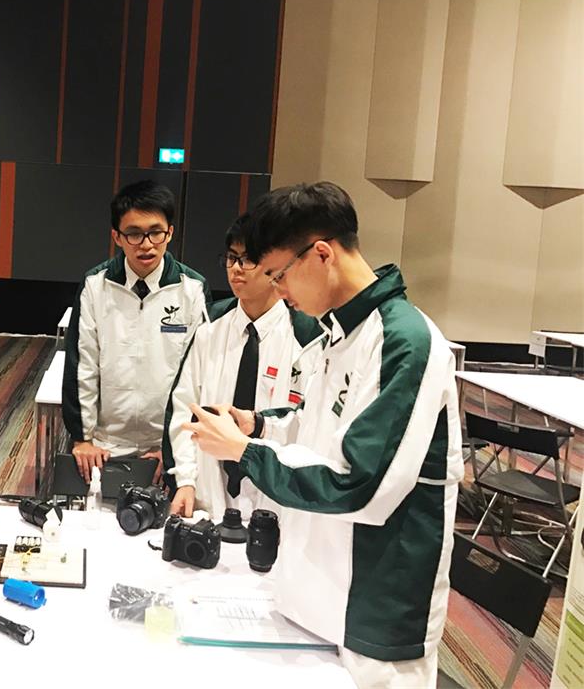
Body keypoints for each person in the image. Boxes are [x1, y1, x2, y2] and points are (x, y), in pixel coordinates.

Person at [184, 182, 462, 689]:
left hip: (374, 612)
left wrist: (245, 452)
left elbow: (360, 485)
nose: (278, 290)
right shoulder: (341, 332)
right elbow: (318, 426)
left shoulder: (404, 342)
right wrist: (258, 423)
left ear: (321, 255)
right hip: (317, 589)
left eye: (279, 274)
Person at [162, 212, 322, 520]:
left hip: (278, 503)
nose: (236, 268)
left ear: (276, 266)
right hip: (209, 494)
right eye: (231, 258)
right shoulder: (210, 328)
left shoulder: (307, 337)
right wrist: (185, 480)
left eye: (248, 259)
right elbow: (184, 410)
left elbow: (308, 425)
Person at [62, 180, 211, 483]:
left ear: (170, 232)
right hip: (105, 443)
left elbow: (200, 374)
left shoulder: (192, 289)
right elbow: (82, 363)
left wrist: (176, 444)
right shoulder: (96, 285)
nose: (146, 244)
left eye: (156, 232)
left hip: (167, 445)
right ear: (116, 236)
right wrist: (83, 438)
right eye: (134, 233)